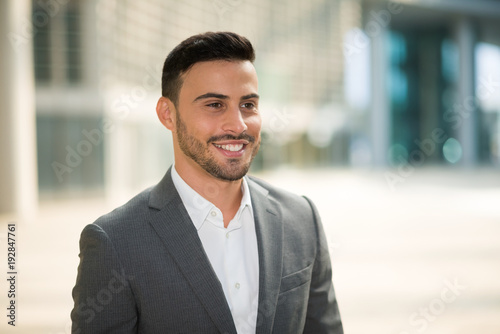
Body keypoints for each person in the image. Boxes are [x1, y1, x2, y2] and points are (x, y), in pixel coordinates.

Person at [71, 31, 343, 334]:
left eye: (248, 104)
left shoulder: (301, 218)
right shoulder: (115, 242)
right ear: (167, 114)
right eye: (215, 104)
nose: (238, 124)